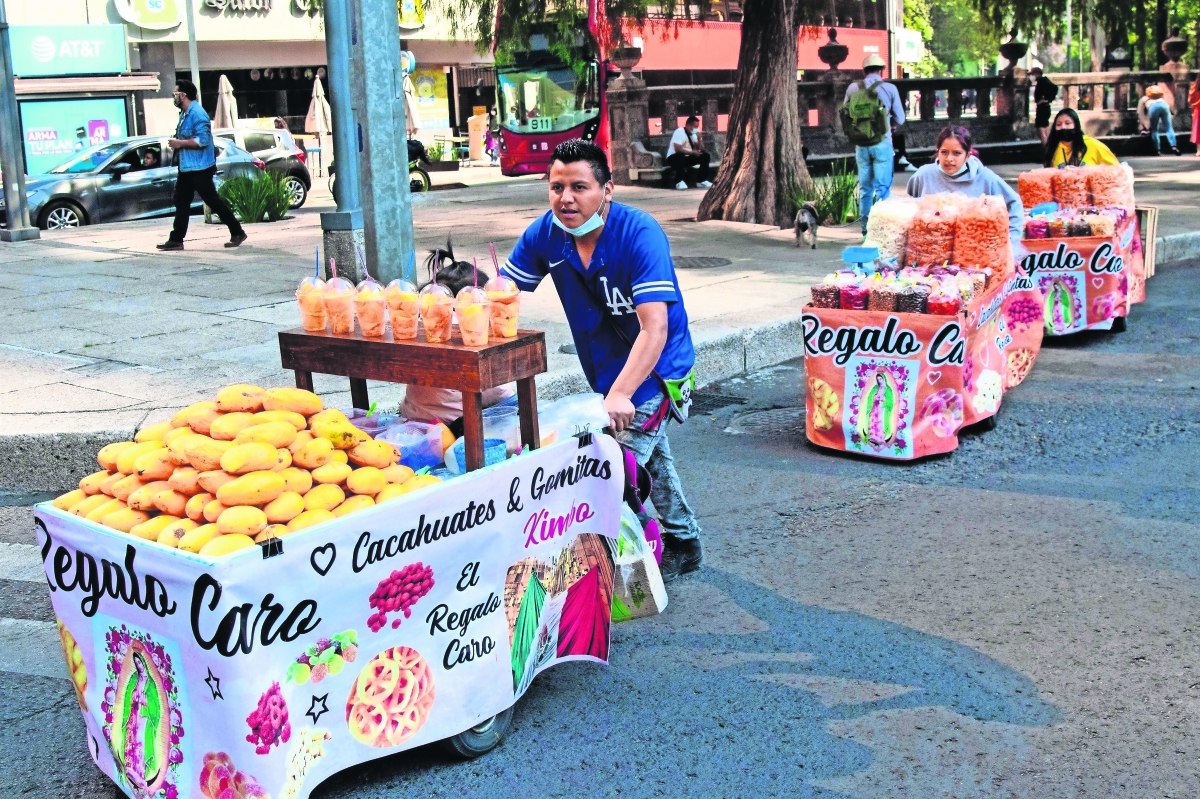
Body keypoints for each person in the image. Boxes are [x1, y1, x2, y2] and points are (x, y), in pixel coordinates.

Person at [501, 139, 703, 582]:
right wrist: (461, 294)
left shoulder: (640, 234)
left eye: (579, 186)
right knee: (651, 462)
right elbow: (503, 293)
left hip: (655, 370)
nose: (566, 198)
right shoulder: (547, 233)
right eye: (556, 187)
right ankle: (684, 541)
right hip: (608, 371)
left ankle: (595, 571)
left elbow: (656, 328)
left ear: (607, 190)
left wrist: (622, 393)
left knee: (612, 472)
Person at [400, 253, 516, 423]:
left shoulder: (419, 324)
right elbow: (497, 392)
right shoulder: (470, 327)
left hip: (413, 417)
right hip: (457, 424)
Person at [158, 80, 246, 251]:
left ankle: (237, 231)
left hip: (200, 167)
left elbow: (203, 140)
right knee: (181, 200)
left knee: (212, 200)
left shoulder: (198, 113)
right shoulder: (184, 113)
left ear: (183, 95)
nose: (174, 98)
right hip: (187, 167)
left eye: (175, 94)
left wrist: (180, 143)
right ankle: (176, 239)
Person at [907, 126, 1023, 241]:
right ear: (937, 152)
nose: (949, 158)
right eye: (944, 152)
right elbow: (908, 208)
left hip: (973, 250)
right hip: (931, 250)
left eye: (957, 153)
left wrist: (1012, 242)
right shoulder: (923, 175)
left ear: (967, 156)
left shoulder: (985, 177)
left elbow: (1014, 204)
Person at [844, 54, 905, 238]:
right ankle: (882, 232)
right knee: (882, 189)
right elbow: (900, 118)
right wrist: (888, 123)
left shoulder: (853, 88)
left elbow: (845, 115)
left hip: (861, 145)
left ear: (864, 71)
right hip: (882, 143)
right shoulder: (889, 88)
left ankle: (865, 232)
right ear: (882, 70)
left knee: (865, 189)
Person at [1043, 108, 1119, 167]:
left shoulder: (1093, 145)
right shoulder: (1053, 149)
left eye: (1067, 123)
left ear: (1076, 125)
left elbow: (1116, 169)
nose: (1063, 127)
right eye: (1059, 124)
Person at [665, 116, 714, 190]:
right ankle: (679, 181)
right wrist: (692, 152)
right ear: (688, 125)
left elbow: (700, 149)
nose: (696, 129)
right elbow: (677, 149)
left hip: (687, 158)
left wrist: (699, 138)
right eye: (695, 127)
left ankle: (702, 181)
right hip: (673, 158)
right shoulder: (680, 131)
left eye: (697, 127)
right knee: (680, 155)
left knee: (705, 155)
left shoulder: (693, 134)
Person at [1138, 86, 1182, 156]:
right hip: (1164, 106)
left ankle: (1157, 150)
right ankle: (1173, 146)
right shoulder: (1161, 99)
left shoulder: (1144, 99)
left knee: (1155, 130)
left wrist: (1144, 125)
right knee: (1169, 128)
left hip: (1153, 107)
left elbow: (1140, 113)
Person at [1030, 66, 1058, 146]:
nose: (1031, 76)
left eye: (1032, 74)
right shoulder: (1043, 81)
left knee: (1040, 128)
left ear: (1037, 74)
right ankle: (1049, 147)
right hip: (1045, 107)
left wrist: (1046, 98)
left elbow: (1054, 88)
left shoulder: (1042, 81)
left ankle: (1046, 147)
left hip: (1042, 107)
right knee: (1045, 127)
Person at [1191, 78, 1200, 156]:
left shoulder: (1196, 85)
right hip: (1198, 108)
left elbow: (1191, 98)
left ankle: (1199, 150)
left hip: (1198, 108)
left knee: (1198, 129)